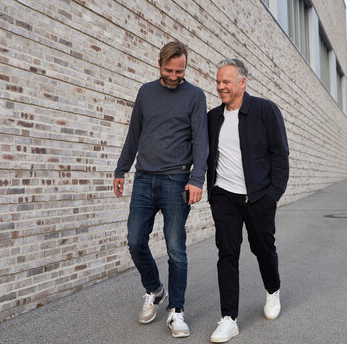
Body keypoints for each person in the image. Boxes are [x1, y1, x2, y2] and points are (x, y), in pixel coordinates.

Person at [113, 41, 208, 338]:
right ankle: (154, 289)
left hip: (177, 181)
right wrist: (121, 169)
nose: (175, 76)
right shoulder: (145, 92)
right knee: (135, 241)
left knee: (176, 249)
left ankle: (176, 311)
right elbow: (134, 134)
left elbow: (201, 141)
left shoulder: (195, 96)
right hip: (143, 179)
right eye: (169, 70)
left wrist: (197, 179)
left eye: (180, 71)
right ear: (159, 65)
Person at [206, 59, 289, 343]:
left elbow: (280, 154)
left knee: (263, 248)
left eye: (226, 82)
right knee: (227, 254)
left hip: (258, 196)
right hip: (224, 197)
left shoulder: (265, 110)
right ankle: (229, 318)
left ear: (243, 82)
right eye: (218, 82)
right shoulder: (212, 117)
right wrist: (212, 194)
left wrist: (273, 195)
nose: (220, 87)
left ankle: (272, 289)